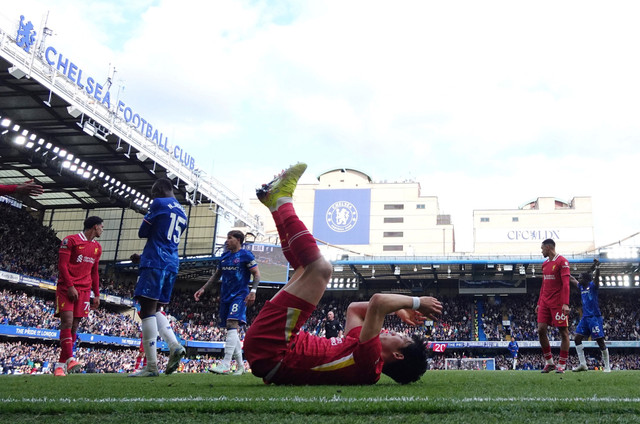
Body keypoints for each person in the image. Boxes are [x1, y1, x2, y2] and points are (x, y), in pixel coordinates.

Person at [244, 163, 443, 385]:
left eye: (402, 338)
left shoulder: (370, 360)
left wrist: (415, 303)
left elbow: (378, 302)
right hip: (274, 352)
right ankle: (274, 205)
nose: (394, 332)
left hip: (274, 350)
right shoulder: (360, 354)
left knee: (321, 269)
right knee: (303, 269)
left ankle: (283, 200)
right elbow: (354, 310)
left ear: (397, 355)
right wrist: (396, 310)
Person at [129, 178, 188, 377]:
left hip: (155, 261)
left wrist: (147, 257)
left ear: (160, 189)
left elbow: (143, 232)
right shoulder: (182, 211)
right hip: (171, 263)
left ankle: (152, 366)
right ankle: (174, 344)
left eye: (154, 193)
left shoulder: (159, 203)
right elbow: (166, 237)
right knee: (157, 310)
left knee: (146, 310)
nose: (152, 197)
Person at [194, 230, 261, 375]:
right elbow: (216, 276)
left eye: (229, 238)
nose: (227, 241)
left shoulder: (246, 255)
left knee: (232, 324)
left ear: (238, 240)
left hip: (240, 295)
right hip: (225, 297)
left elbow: (256, 274)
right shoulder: (224, 257)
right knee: (231, 330)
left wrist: (253, 292)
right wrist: (203, 289)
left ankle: (225, 364)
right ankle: (240, 366)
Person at [53, 216, 103, 376]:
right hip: (66, 288)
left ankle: (60, 366)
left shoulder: (97, 247)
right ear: (95, 227)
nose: (103, 229)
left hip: (84, 290)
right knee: (66, 322)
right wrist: (70, 286)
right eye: (101, 227)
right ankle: (70, 359)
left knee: (74, 326)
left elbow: (94, 272)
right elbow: (62, 265)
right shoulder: (70, 241)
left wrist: (96, 294)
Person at [536, 238, 571, 373]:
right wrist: (539, 302)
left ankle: (561, 364)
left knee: (563, 332)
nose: (541, 251)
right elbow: (543, 285)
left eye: (542, 248)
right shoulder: (545, 264)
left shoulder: (562, 262)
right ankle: (550, 362)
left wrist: (565, 303)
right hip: (545, 301)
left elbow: (566, 284)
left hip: (558, 302)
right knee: (541, 330)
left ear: (548, 247)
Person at [571, 259, 611, 372]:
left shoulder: (593, 286)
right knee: (577, 339)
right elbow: (572, 279)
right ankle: (583, 364)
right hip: (585, 318)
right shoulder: (581, 287)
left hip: (594, 317)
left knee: (600, 341)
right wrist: (564, 271)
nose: (579, 279)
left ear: (586, 279)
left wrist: (597, 268)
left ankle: (607, 366)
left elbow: (597, 278)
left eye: (581, 278)